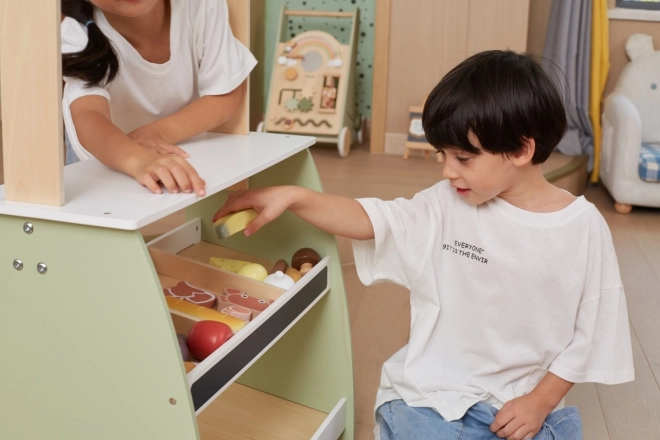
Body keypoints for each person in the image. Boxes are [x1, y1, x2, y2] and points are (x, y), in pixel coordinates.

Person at [212, 50, 635, 440]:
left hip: (521, 406)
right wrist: (296, 196)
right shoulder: (445, 204)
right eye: (443, 154)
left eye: (463, 159)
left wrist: (540, 402)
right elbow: (373, 219)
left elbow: (590, 332)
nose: (448, 171)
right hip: (431, 397)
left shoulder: (581, 228)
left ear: (522, 150)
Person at [61, 0, 256, 196]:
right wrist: (138, 159)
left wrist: (159, 133)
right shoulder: (75, 29)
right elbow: (87, 114)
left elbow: (224, 92)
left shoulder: (200, 4)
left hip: (172, 151)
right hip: (101, 161)